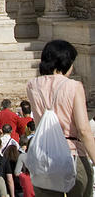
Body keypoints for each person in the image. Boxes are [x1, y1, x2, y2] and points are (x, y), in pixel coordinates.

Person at [26, 39, 95, 197]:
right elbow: (83, 129)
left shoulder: (32, 85)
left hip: (43, 155)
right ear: (66, 62)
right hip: (71, 154)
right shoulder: (73, 86)